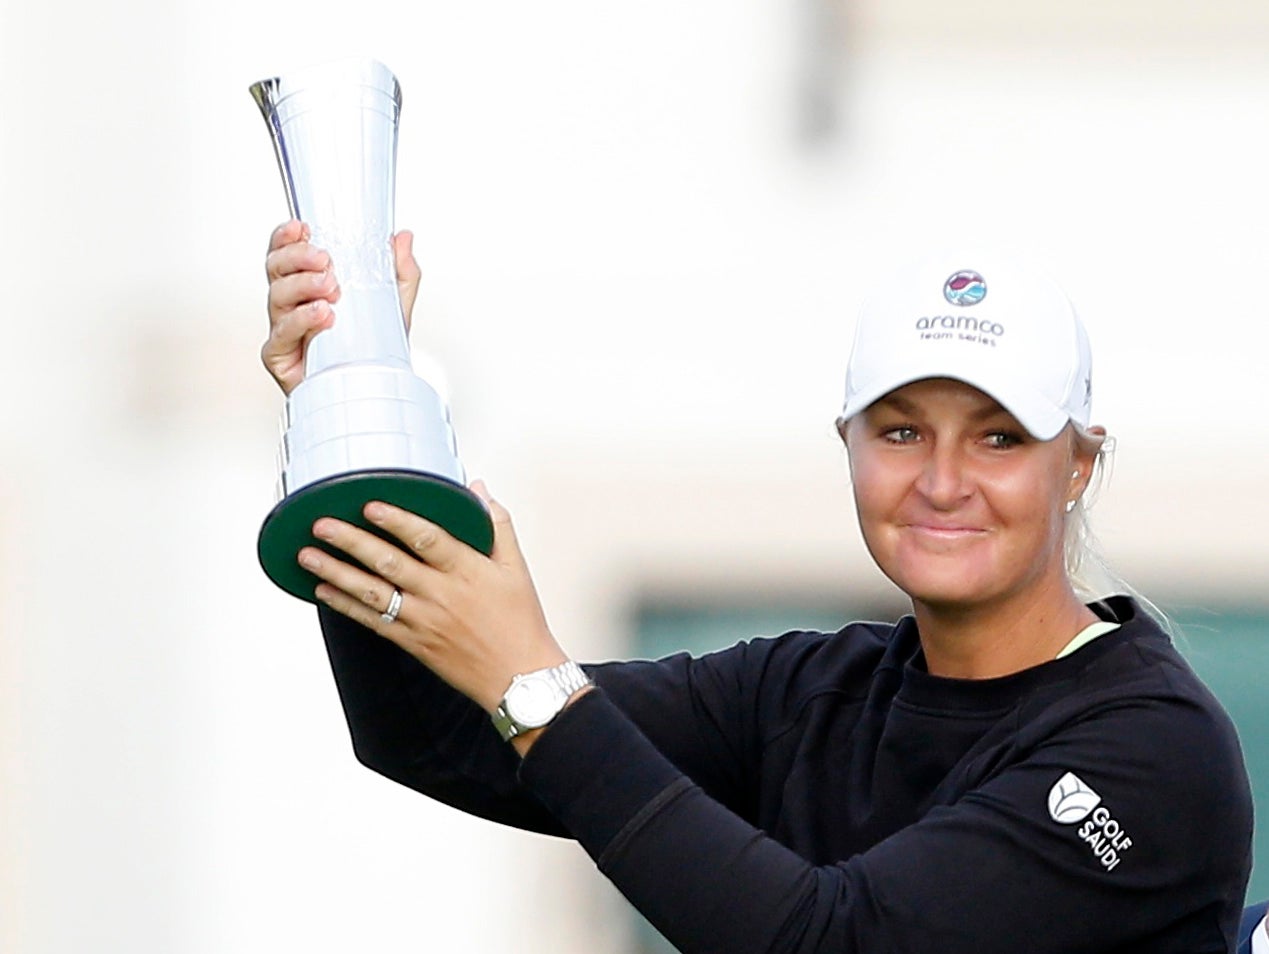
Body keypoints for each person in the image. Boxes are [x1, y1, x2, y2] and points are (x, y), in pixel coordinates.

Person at [263, 221, 1254, 953]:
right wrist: (354, 409)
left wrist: (537, 687)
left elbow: (828, 945)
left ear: (1078, 465)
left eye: (999, 438)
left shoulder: (1151, 751)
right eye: (902, 431)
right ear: (849, 447)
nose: (943, 482)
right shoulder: (810, 695)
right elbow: (429, 733)